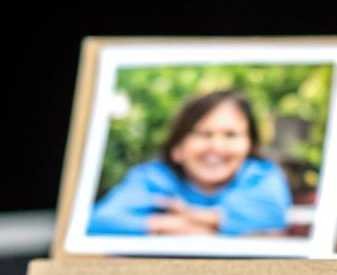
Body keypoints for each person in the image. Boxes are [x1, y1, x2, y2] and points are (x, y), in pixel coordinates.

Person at [88, 89, 292, 237]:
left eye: (231, 135)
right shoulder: (153, 177)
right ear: (178, 149)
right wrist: (169, 225)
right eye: (203, 134)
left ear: (249, 145)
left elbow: (271, 216)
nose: (216, 147)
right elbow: (97, 221)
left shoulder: (261, 175)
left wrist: (191, 214)